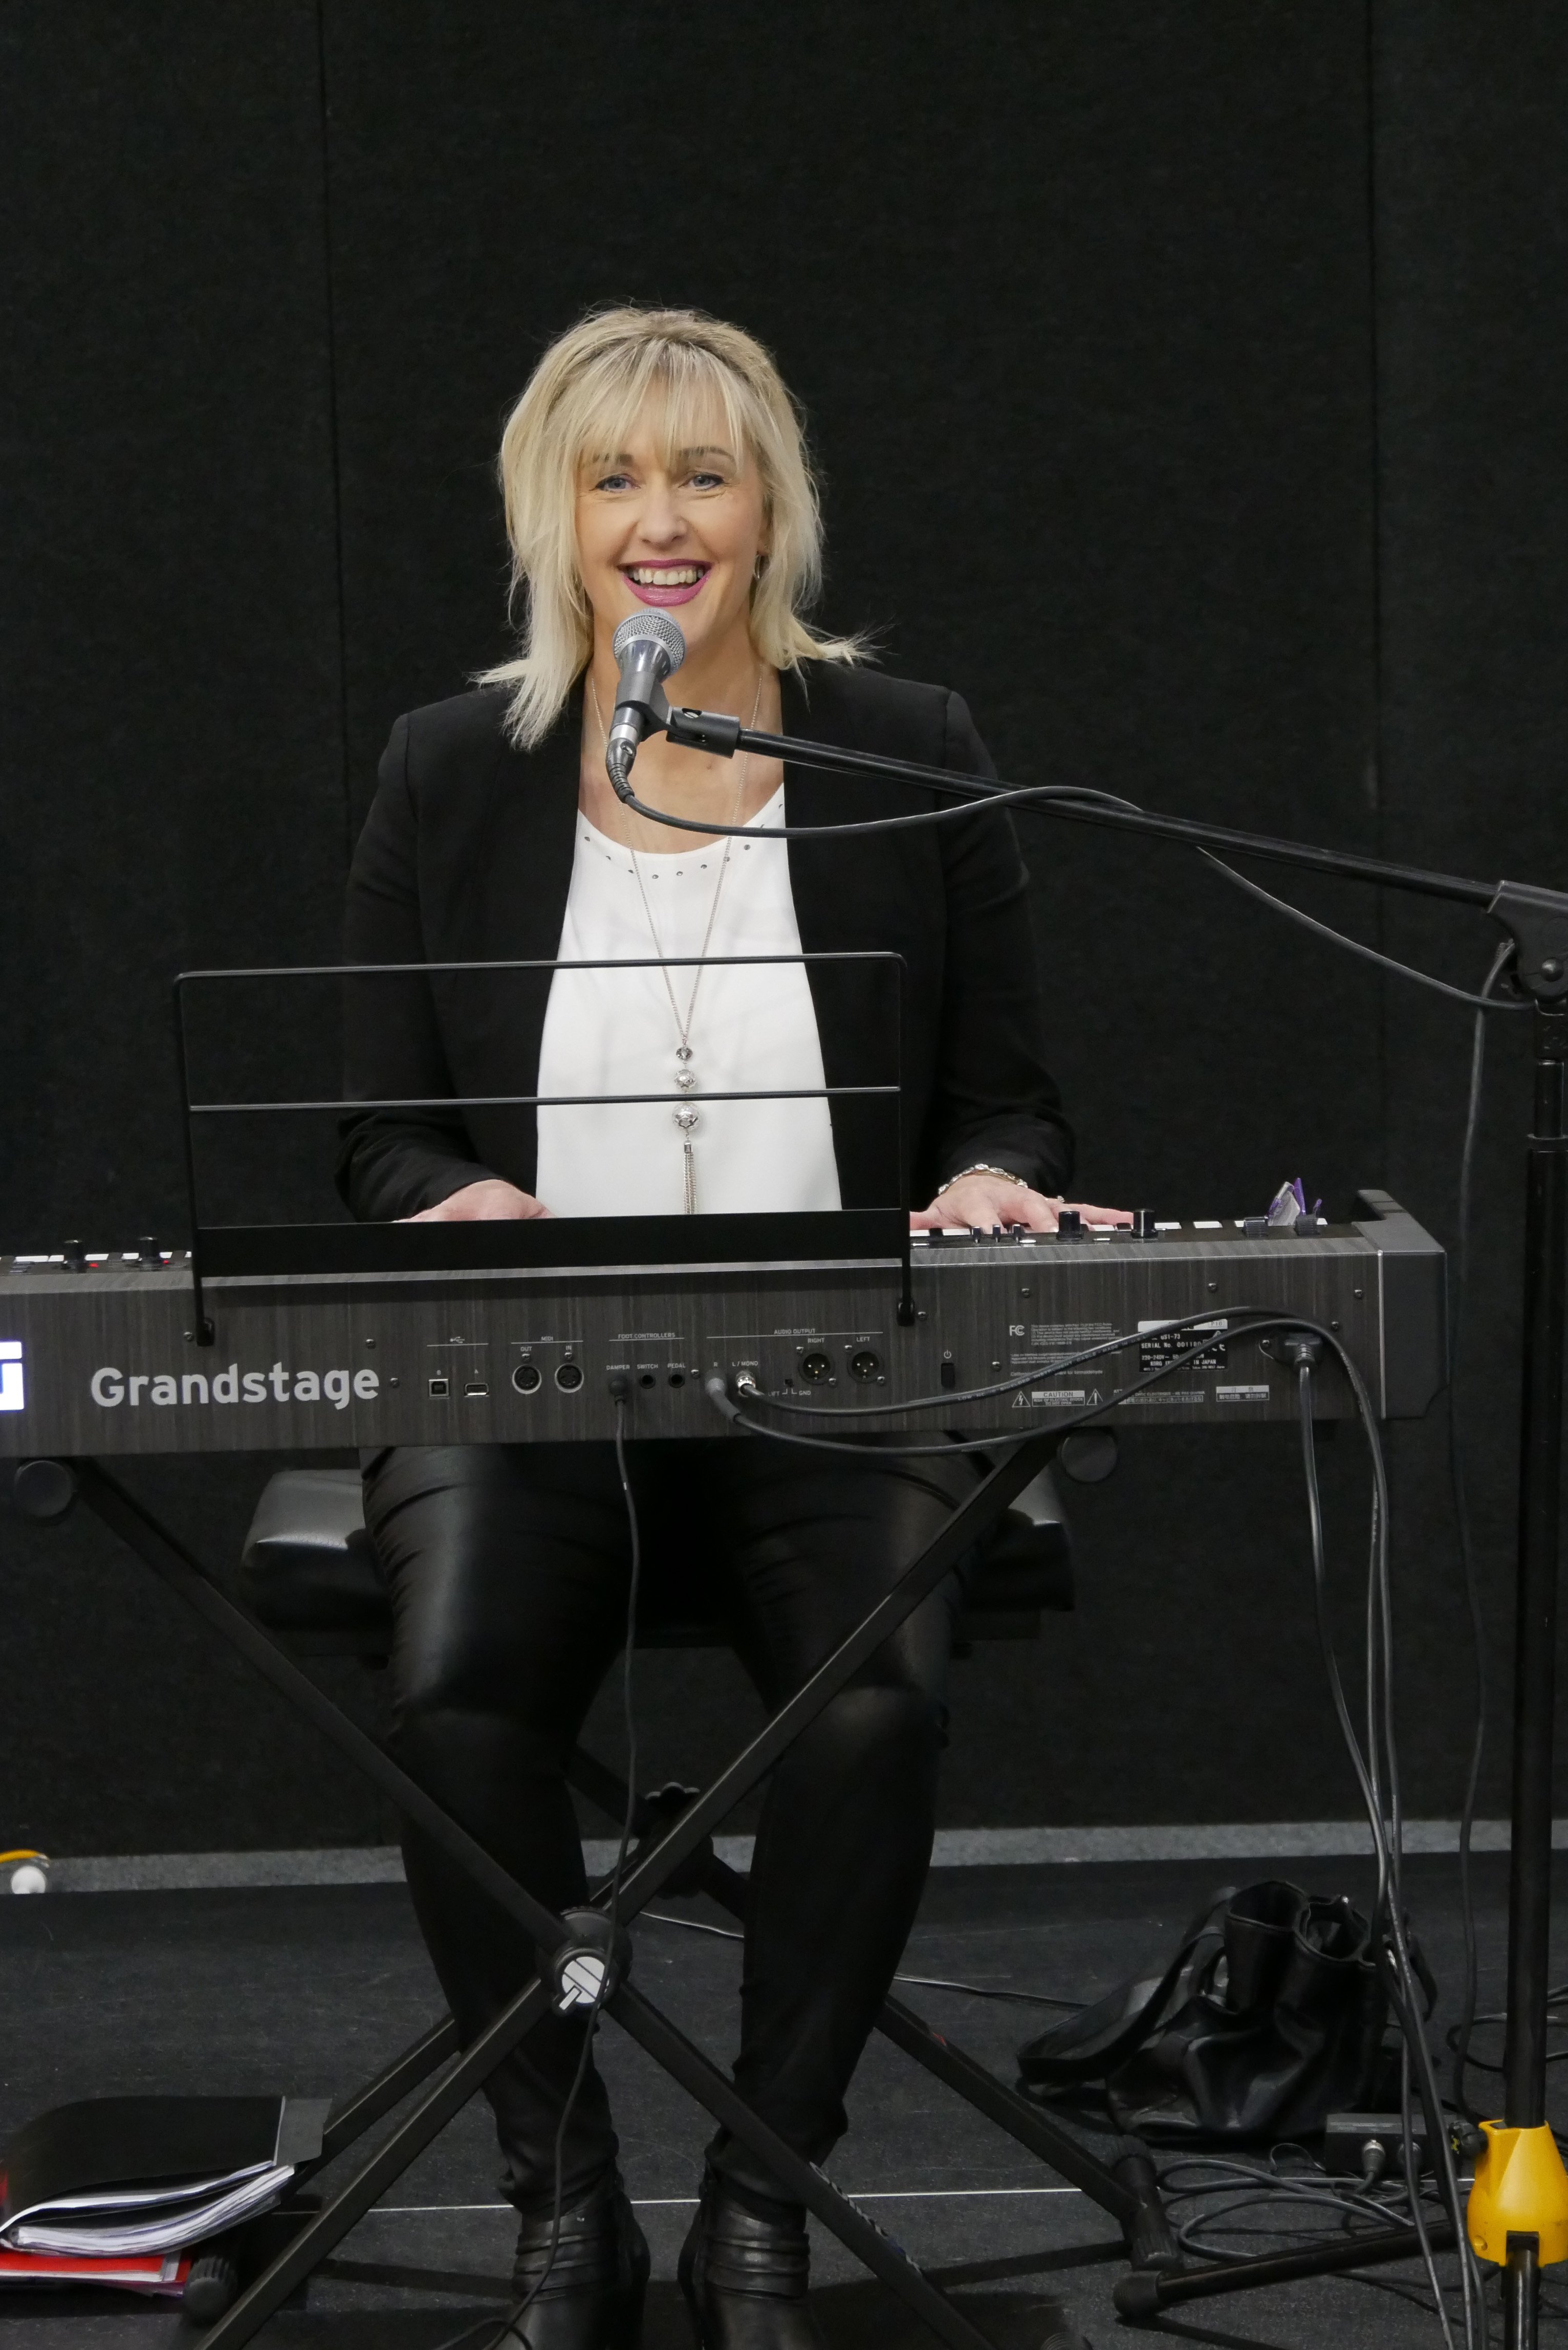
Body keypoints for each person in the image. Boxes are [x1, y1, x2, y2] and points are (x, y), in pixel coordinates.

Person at [338, 306, 1124, 2350]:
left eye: (703, 474)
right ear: (554, 511)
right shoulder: (451, 768)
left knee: (872, 1700)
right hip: (526, 1374)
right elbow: (373, 1131)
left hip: (833, 1373)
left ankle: (765, 2183)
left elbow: (1009, 1096)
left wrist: (983, 1180)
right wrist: (456, 1196)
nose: (659, 521)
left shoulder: (912, 749)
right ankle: (561, 2185)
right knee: (451, 1700)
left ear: (772, 506)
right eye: (615, 478)